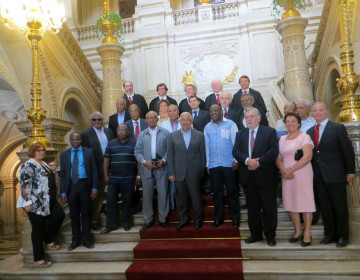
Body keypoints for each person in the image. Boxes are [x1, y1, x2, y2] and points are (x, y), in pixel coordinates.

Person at [307, 102, 356, 247]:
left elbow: (347, 151)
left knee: (339, 207)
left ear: (326, 112)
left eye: (320, 110)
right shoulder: (309, 132)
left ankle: (343, 236)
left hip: (336, 174)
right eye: (315, 111)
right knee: (325, 207)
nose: (318, 113)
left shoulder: (337, 128)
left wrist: (350, 170)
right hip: (318, 176)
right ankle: (330, 235)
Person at [233, 107, 279, 246]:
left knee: (268, 208)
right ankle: (255, 234)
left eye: (252, 116)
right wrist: (248, 160)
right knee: (252, 209)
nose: (249, 119)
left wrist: (258, 162)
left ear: (259, 118)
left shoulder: (269, 131)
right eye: (247, 117)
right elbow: (236, 151)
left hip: (266, 177)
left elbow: (274, 151)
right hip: (248, 178)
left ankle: (270, 236)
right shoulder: (240, 134)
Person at [17, 143, 65, 268]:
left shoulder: (43, 164)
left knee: (59, 216)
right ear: (32, 152)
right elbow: (25, 185)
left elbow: (46, 180)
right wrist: (27, 202)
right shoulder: (28, 165)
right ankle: (38, 258)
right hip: (35, 202)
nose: (41, 152)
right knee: (38, 230)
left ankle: (49, 240)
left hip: (49, 200)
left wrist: (54, 171)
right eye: (38, 151)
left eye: (43, 150)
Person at [276, 113, 315, 247]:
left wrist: (291, 169)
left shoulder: (305, 137)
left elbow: (307, 157)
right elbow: (279, 158)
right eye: (288, 121)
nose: (290, 123)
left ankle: (307, 232)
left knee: (305, 202)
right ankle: (298, 230)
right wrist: (283, 170)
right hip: (287, 175)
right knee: (291, 201)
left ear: (299, 123)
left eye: (293, 121)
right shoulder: (282, 138)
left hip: (302, 172)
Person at [167, 112, 206, 230]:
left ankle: (198, 219)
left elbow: (203, 155)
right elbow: (170, 155)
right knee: (181, 198)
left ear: (191, 121)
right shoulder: (172, 136)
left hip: (195, 171)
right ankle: (183, 219)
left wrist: (202, 171)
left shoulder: (199, 135)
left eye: (187, 119)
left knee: (196, 197)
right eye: (183, 119)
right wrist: (171, 172)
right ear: (180, 121)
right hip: (178, 172)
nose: (185, 122)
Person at [60, 133, 98, 251]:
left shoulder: (89, 152)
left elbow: (94, 170)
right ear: (70, 141)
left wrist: (94, 188)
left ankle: (87, 239)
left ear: (81, 140)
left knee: (86, 213)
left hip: (85, 185)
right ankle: (75, 240)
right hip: (71, 187)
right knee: (74, 215)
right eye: (73, 139)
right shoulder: (64, 154)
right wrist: (63, 192)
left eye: (77, 139)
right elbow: (63, 174)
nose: (75, 141)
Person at [204, 105, 240, 228]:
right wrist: (207, 163)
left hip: (229, 164)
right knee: (217, 193)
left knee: (232, 192)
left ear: (221, 112)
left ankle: (235, 218)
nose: (213, 112)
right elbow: (206, 147)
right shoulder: (207, 127)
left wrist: (236, 160)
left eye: (216, 110)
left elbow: (236, 143)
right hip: (214, 165)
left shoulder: (231, 124)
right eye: (211, 111)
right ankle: (218, 218)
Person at [134, 111, 170, 229]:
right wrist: (144, 161)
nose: (151, 119)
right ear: (146, 120)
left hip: (161, 167)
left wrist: (164, 160)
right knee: (147, 195)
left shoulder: (165, 133)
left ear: (157, 119)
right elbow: (137, 151)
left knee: (163, 193)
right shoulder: (142, 134)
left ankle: (163, 218)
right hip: (147, 168)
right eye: (149, 117)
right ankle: (148, 219)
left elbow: (170, 150)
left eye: (154, 117)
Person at [102, 124, 140, 233]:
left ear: (128, 132)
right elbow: (106, 160)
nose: (121, 132)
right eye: (119, 130)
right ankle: (111, 225)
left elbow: (138, 161)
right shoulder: (111, 144)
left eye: (123, 130)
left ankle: (126, 223)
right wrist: (106, 175)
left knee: (127, 202)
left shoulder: (134, 143)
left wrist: (138, 175)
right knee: (110, 201)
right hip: (113, 179)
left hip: (129, 178)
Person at [81, 112, 114, 230]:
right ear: (91, 121)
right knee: (97, 195)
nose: (97, 122)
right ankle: (94, 220)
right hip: (95, 169)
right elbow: (84, 153)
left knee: (111, 193)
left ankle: (111, 216)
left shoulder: (108, 132)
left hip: (111, 166)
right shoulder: (85, 134)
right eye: (94, 120)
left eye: (99, 119)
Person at [160, 104, 181, 210]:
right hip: (169, 159)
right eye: (170, 111)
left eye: (174, 110)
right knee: (171, 185)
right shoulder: (163, 126)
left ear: (178, 111)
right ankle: (173, 208)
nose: (172, 113)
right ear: (167, 113)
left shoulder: (185, 122)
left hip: (183, 159)